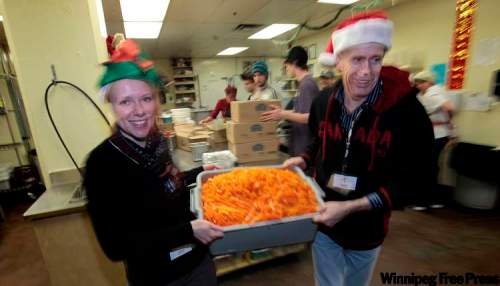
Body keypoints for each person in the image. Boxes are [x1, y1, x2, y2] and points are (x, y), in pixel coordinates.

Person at [284, 11, 434, 286]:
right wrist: (304, 159)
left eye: (375, 59)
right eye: (357, 59)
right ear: (338, 61)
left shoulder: (406, 112)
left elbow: (415, 179)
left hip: (368, 228)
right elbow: (320, 137)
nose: (366, 71)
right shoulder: (324, 102)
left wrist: (353, 206)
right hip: (324, 218)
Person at [84, 39, 224, 286]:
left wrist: (201, 172)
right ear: (112, 106)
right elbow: (115, 247)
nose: (139, 111)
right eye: (125, 101)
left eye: (146, 99)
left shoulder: (157, 141)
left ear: (157, 101)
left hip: (198, 262)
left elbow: (167, 188)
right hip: (156, 276)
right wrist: (189, 231)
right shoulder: (102, 163)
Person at [260, 46, 319, 156]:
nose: (286, 68)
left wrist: (283, 114)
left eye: (287, 64)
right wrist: (282, 113)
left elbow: (310, 117)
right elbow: (299, 111)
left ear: (295, 62)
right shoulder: (303, 84)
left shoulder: (307, 84)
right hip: (299, 143)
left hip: (305, 147)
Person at [412, 70, 455, 211]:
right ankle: (434, 200)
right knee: (432, 167)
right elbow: (449, 110)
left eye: (421, 83)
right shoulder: (439, 90)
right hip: (440, 134)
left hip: (435, 135)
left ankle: (423, 202)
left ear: (429, 82)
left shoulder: (432, 93)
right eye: (417, 83)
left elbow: (450, 107)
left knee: (426, 167)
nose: (418, 86)